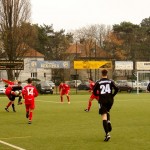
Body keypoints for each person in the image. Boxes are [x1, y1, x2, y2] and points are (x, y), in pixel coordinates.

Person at [93, 69, 118, 142]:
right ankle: (109, 121)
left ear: (102, 74)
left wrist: (98, 94)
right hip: (110, 100)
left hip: (102, 100)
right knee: (107, 111)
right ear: (107, 74)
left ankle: (107, 134)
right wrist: (112, 95)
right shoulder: (110, 81)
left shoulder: (98, 82)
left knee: (104, 116)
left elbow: (94, 92)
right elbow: (117, 89)